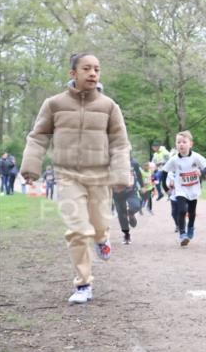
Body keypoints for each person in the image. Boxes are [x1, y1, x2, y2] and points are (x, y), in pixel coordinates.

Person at [20, 52, 132, 304]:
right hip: (68, 175)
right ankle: (83, 284)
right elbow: (38, 136)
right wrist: (30, 168)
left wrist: (121, 174)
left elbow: (120, 142)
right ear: (73, 73)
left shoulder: (108, 106)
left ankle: (102, 238)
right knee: (78, 231)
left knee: (99, 225)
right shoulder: (54, 104)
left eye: (97, 69)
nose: (93, 73)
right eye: (87, 69)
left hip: (99, 176)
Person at [161, 131, 206, 246]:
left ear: (190, 144)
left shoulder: (196, 157)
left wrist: (201, 172)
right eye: (178, 142)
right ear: (176, 145)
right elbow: (164, 172)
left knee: (191, 213)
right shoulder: (174, 159)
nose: (181, 144)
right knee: (181, 210)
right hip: (180, 189)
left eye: (184, 142)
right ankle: (182, 234)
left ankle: (191, 226)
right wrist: (165, 187)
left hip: (193, 189)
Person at [111, 155, 144, 244]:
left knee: (136, 206)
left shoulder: (134, 163)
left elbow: (139, 175)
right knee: (121, 214)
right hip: (116, 193)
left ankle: (131, 214)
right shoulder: (110, 162)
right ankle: (126, 234)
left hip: (130, 191)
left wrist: (142, 186)